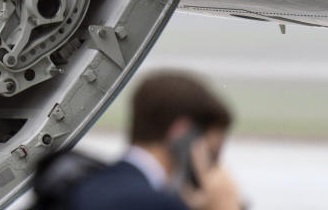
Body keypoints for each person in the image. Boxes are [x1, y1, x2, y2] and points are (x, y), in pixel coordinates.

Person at [66, 71, 240, 210]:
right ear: (182, 133)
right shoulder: (154, 203)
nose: (214, 166)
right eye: (211, 153)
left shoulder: (85, 185)